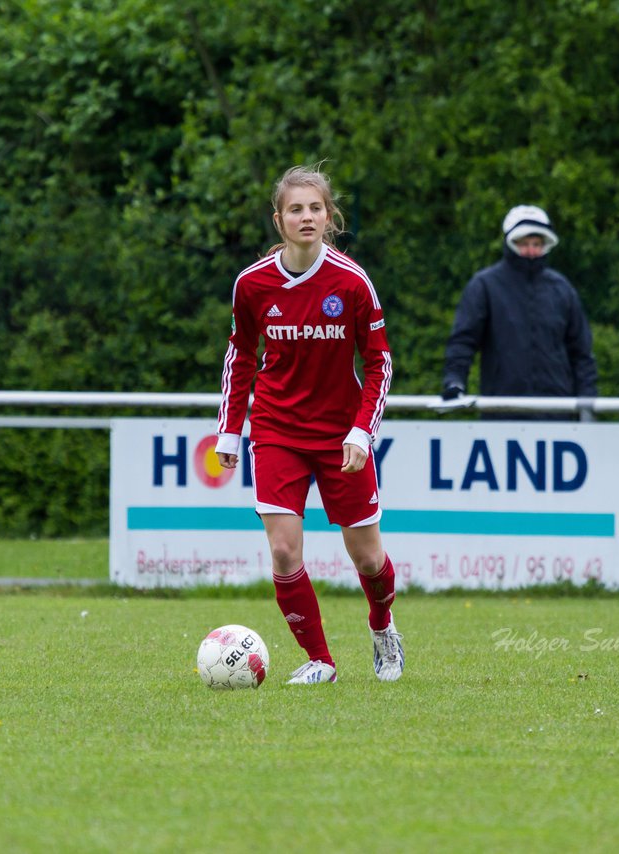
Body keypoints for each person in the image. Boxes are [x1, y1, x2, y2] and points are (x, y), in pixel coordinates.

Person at [215, 164, 403, 685]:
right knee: (282, 549)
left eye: (315, 208)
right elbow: (241, 357)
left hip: (342, 436)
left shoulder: (352, 282)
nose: (306, 216)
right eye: (295, 209)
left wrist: (362, 431)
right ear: (279, 219)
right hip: (276, 428)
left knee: (367, 558)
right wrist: (231, 429)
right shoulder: (252, 285)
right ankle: (321, 660)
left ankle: (383, 626)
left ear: (329, 216)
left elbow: (379, 363)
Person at [441, 205, 598, 419]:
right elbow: (463, 342)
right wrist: (454, 381)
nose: (531, 251)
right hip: (501, 412)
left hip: (556, 414)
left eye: (536, 244)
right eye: (524, 244)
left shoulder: (562, 288)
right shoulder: (485, 285)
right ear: (510, 243)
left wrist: (587, 405)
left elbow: (582, 354)